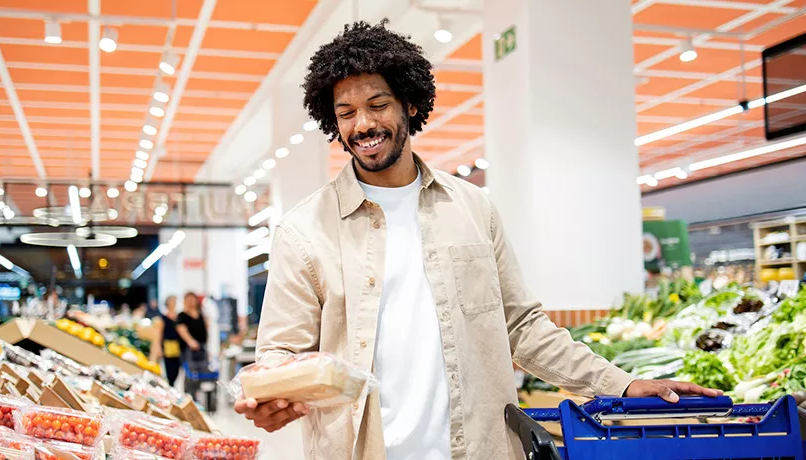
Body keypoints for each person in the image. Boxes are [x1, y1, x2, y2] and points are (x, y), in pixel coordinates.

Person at [235, 21, 721, 460]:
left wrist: (623, 383)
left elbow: (522, 326)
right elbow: (279, 353)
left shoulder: (472, 207)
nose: (362, 125)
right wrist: (269, 395)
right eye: (346, 113)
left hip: (478, 448)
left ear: (410, 104)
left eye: (377, 105)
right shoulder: (305, 230)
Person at [150, 296, 182, 386]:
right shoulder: (163, 318)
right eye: (172, 301)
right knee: (169, 369)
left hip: (178, 347)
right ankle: (170, 385)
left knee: (177, 369)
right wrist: (159, 348)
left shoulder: (178, 317)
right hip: (168, 346)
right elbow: (159, 335)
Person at [176, 292, 208, 356]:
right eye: (189, 300)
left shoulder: (201, 315)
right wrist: (190, 341)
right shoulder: (182, 315)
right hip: (188, 348)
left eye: (193, 300)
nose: (191, 302)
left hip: (202, 346)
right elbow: (181, 329)